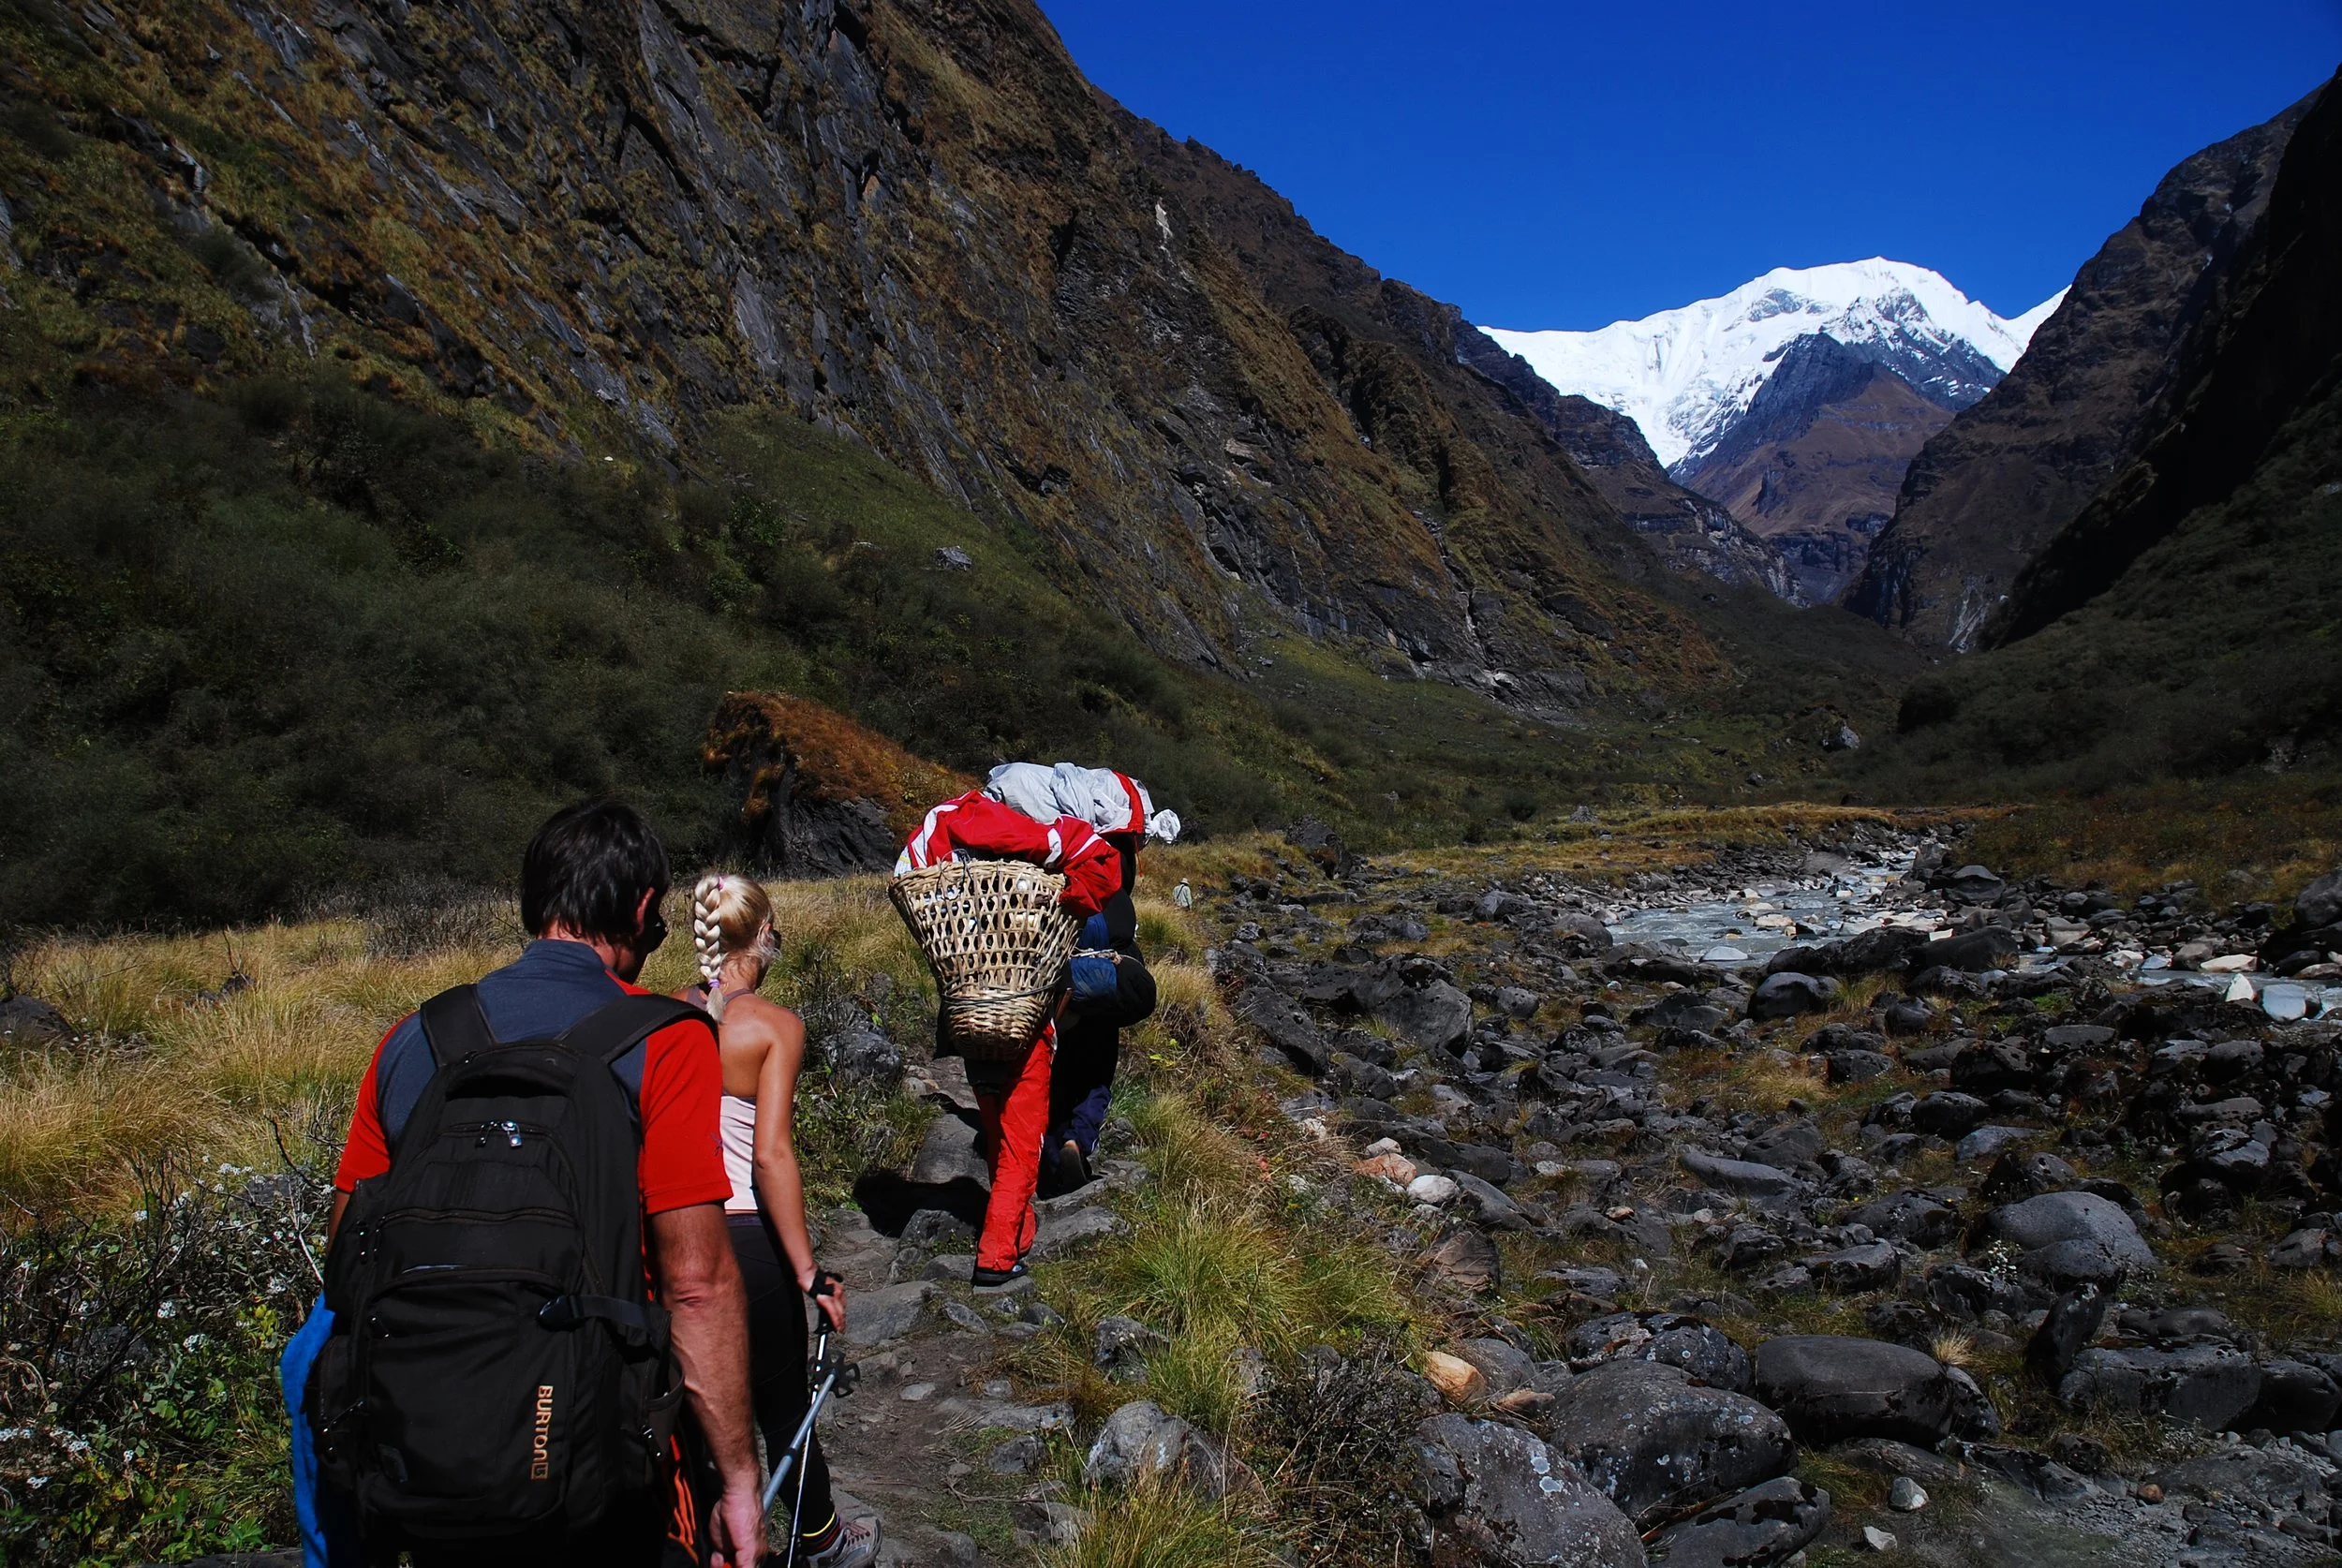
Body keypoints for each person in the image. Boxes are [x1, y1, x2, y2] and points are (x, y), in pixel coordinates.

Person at [323, 800, 763, 1568]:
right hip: (604, 1459)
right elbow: (696, 1285)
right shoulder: (667, 1041)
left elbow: (347, 1262)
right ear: (642, 909)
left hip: (421, 1460)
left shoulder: (412, 1039)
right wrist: (736, 1476)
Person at [682, 873, 878, 1568]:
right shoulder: (773, 1027)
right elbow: (770, 1157)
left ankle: (698, 1537)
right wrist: (808, 1270)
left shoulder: (666, 1014)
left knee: (687, 1410)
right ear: (764, 934)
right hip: (743, 1236)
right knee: (780, 1401)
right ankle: (821, 1538)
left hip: (675, 1232)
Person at [897, 787, 1121, 1287]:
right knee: (1022, 1143)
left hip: (972, 1021)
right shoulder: (1029, 861)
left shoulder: (950, 864)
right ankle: (996, 1257)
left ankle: (1019, 1234)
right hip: (1025, 1022)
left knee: (999, 1134)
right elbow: (1099, 869)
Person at [981, 764, 1179, 1191]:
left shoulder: (1043, 844)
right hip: (1099, 963)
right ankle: (1074, 1140)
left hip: (1045, 957)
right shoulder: (1109, 853)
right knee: (1098, 1050)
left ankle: (1041, 1147)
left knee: (1052, 1058)